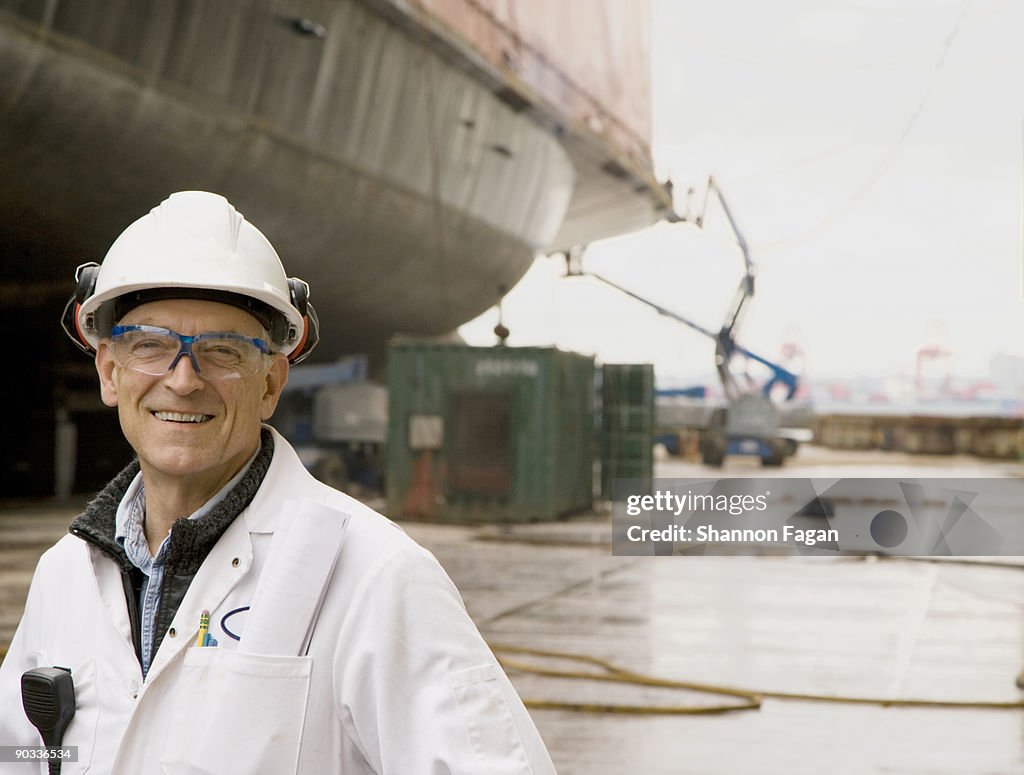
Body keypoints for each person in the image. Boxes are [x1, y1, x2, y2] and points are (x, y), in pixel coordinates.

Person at [0, 191, 556, 774]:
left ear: (271, 383)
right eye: (151, 346)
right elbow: (23, 756)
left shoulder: (375, 574)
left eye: (223, 351)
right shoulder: (65, 575)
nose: (183, 380)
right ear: (109, 371)